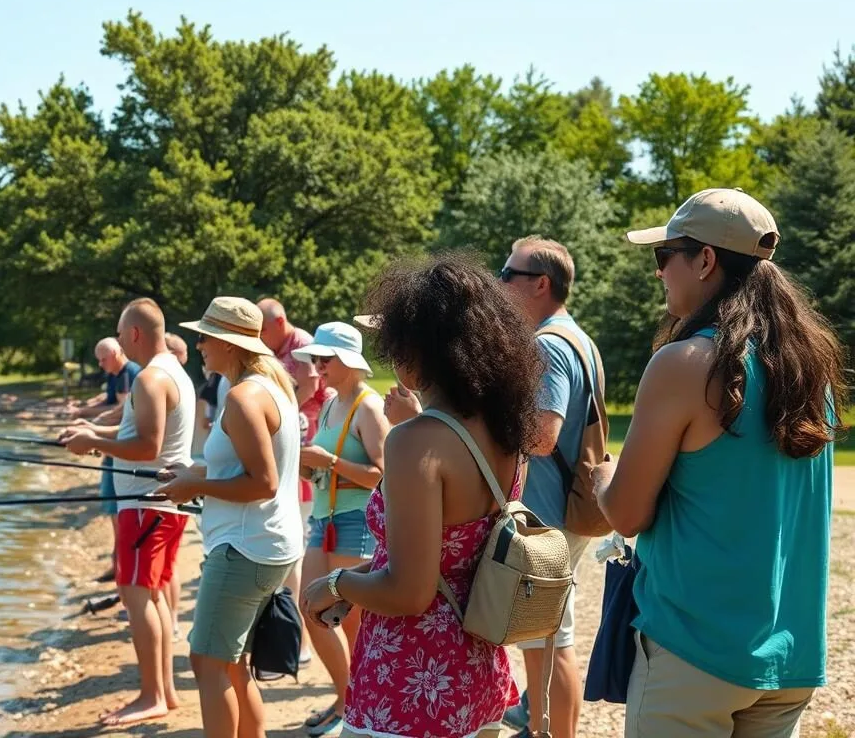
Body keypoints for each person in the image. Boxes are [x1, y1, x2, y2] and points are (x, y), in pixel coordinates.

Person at [594, 188, 847, 738]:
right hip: (789, 658)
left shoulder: (684, 363)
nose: (660, 273)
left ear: (705, 260)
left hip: (695, 654)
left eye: (665, 257)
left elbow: (627, 514)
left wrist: (602, 477)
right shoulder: (812, 372)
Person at [301, 253, 545, 738]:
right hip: (476, 674)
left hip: (410, 688)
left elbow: (409, 594)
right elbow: (446, 556)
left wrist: (334, 586)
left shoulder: (415, 440)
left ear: (419, 348)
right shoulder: (504, 432)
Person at [156, 296, 304, 738]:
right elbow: (243, 467)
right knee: (233, 660)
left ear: (230, 344)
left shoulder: (243, 397)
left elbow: (263, 482)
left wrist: (195, 487)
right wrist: (194, 472)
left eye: (206, 337)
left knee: (207, 662)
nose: (198, 344)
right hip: (262, 546)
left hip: (245, 549)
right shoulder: (266, 386)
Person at [61, 299, 196, 726]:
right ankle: (166, 692)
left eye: (120, 333)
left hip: (145, 507)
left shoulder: (151, 378)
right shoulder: (174, 371)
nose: (119, 340)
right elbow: (133, 431)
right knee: (152, 596)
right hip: (159, 506)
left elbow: (147, 448)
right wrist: (92, 431)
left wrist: (95, 445)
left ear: (135, 333)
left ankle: (151, 695)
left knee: (138, 598)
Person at [496, 235, 602, 738]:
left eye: (507, 275)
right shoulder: (580, 339)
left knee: (546, 642)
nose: (499, 284)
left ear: (541, 284)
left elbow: (541, 436)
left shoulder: (547, 345)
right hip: (570, 509)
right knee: (553, 636)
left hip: (546, 518)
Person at [291, 322, 390, 738]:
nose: (316, 366)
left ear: (348, 362)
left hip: (357, 522)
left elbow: (384, 475)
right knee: (310, 607)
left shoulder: (368, 406)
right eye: (313, 358)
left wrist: (327, 463)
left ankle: (362, 707)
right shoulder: (331, 403)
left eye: (324, 358)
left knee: (353, 622)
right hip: (324, 517)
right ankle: (347, 697)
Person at [257, 297, 331, 666]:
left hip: (308, 449)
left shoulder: (300, 344)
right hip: (297, 449)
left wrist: (279, 412)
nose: (261, 336)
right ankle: (295, 632)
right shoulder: (275, 349)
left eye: (264, 328)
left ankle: (299, 637)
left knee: (297, 547)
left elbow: (308, 388)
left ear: (281, 321)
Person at [67, 338, 141, 582]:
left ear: (117, 352)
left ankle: (120, 568)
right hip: (110, 447)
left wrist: (93, 429)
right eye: (98, 360)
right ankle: (119, 565)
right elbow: (109, 403)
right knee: (113, 510)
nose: (100, 364)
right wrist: (86, 413)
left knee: (118, 511)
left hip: (116, 451)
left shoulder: (130, 373)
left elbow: (122, 414)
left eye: (103, 359)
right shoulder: (118, 374)